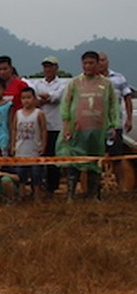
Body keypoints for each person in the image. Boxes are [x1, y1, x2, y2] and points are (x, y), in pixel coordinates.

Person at [58, 50, 119, 200]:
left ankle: (94, 195)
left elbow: (113, 106)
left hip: (97, 130)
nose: (88, 66)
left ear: (98, 64)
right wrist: (66, 124)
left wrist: (113, 125)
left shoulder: (106, 84)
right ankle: (70, 195)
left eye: (91, 63)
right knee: (74, 162)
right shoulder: (75, 83)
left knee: (95, 161)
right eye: (85, 63)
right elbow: (66, 103)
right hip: (77, 129)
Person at [98, 53, 135, 188]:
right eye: (98, 60)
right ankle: (93, 189)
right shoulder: (90, 79)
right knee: (94, 158)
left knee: (117, 157)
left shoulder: (118, 78)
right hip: (95, 125)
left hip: (114, 124)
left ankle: (122, 187)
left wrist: (129, 119)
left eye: (103, 60)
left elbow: (127, 98)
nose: (101, 63)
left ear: (108, 61)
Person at [32, 56, 66, 197]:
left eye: (50, 66)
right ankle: (39, 184)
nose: (48, 69)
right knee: (40, 154)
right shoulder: (38, 83)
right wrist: (46, 99)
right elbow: (34, 100)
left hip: (55, 125)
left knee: (53, 156)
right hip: (40, 126)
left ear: (56, 68)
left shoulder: (62, 83)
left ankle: (53, 185)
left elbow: (57, 97)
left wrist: (46, 98)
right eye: (46, 66)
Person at [11, 87, 47, 198]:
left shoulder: (39, 113)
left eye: (29, 97)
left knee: (36, 174)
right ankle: (21, 195)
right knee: (21, 174)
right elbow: (14, 129)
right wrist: (12, 145)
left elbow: (43, 130)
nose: (26, 100)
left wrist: (43, 145)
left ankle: (37, 196)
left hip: (34, 149)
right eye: (23, 98)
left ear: (34, 98)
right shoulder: (18, 113)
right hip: (20, 149)